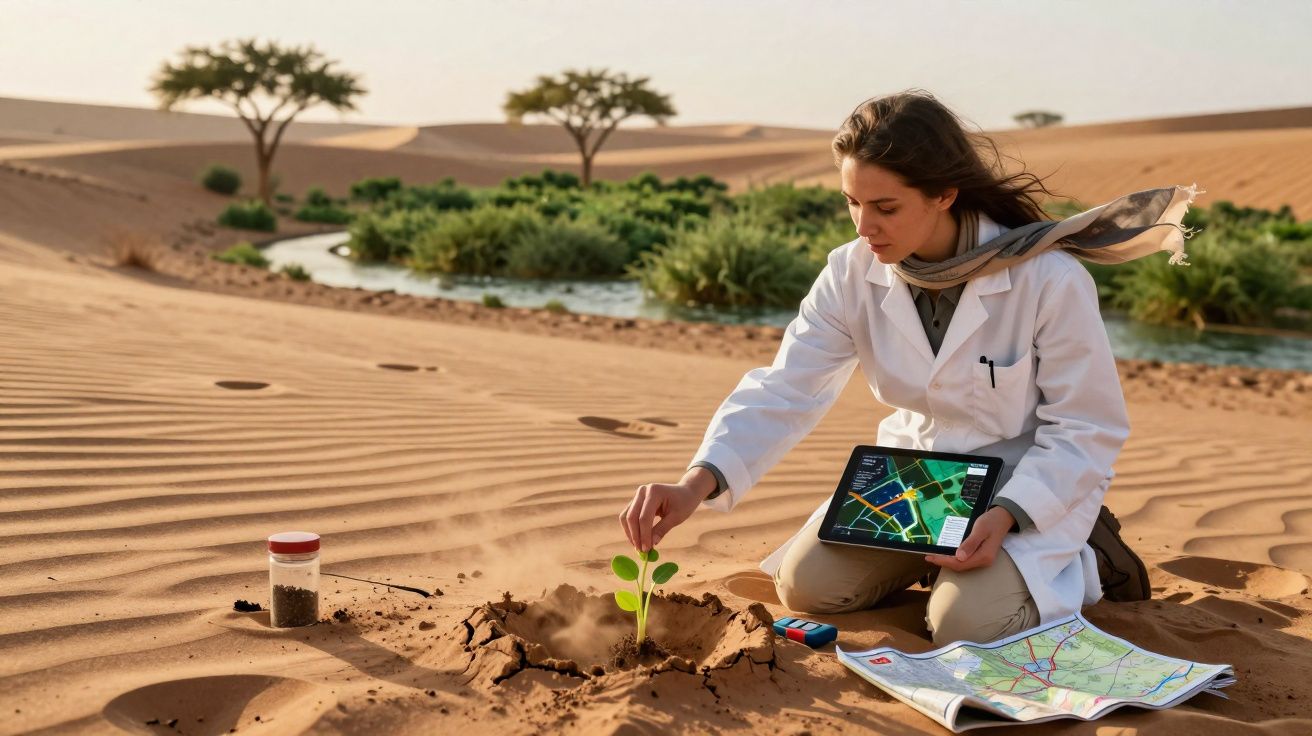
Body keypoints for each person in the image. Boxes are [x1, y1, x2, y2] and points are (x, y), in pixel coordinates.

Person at [618, 89, 1201, 647]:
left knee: (965, 626)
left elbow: (1088, 427)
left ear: (944, 193)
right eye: (852, 202)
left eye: (885, 207)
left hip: (1022, 483)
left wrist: (1009, 514)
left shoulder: (1048, 280)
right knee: (808, 588)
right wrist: (696, 482)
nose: (863, 226)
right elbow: (787, 387)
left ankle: (1095, 554)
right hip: (919, 482)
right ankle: (942, 567)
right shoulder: (850, 273)